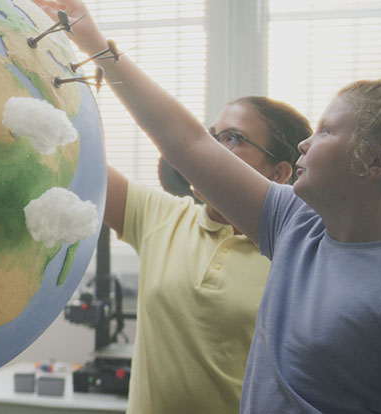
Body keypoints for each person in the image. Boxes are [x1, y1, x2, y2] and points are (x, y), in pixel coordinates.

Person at [35, 1, 381, 412]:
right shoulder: (296, 227)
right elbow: (185, 141)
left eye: (327, 131)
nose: (308, 141)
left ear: (379, 160)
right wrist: (90, 37)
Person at [101, 95, 310, 413]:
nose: (208, 149)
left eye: (232, 138)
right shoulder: (160, 215)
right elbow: (77, 161)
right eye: (211, 136)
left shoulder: (296, 255)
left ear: (279, 173)